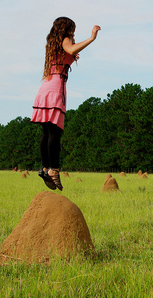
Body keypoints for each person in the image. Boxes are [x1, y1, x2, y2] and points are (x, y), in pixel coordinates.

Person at [31, 17, 101, 190]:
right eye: (73, 29)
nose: (73, 33)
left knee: (46, 132)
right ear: (67, 28)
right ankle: (53, 170)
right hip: (56, 90)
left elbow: (67, 54)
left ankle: (45, 167)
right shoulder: (65, 40)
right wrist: (92, 38)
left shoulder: (53, 45)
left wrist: (71, 56)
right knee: (55, 132)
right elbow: (71, 47)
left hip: (45, 88)